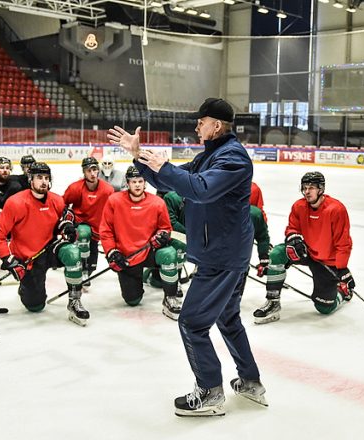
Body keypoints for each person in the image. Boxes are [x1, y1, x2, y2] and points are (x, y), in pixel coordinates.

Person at [108, 97, 266, 416]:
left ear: (216, 125)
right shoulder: (212, 155)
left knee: (192, 322)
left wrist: (160, 165)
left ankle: (209, 392)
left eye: (201, 121)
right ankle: (251, 381)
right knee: (228, 317)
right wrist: (139, 157)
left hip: (221, 257)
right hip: (224, 252)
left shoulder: (232, 157)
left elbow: (200, 189)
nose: (196, 126)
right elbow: (173, 182)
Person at [0, 162, 89, 325]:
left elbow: (66, 217)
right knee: (35, 306)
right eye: (39, 177)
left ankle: (74, 301)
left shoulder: (56, 199)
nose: (43, 181)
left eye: (46, 178)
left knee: (73, 253)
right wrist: (9, 259)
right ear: (30, 180)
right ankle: (25, 288)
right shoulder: (15, 203)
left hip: (50, 249)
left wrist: (67, 228)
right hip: (29, 258)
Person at [254, 171, 354, 324]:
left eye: (311, 187)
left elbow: (343, 243)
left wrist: (341, 268)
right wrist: (293, 237)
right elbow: (292, 228)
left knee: (324, 308)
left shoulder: (336, 209)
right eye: (304, 187)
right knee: (278, 253)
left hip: (326, 261)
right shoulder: (299, 206)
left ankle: (342, 292)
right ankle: (273, 302)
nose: (307, 191)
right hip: (305, 252)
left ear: (321, 189)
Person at [99, 166, 182, 320]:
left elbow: (165, 227)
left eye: (140, 181)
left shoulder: (157, 202)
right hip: (127, 256)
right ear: (128, 183)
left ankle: (170, 297)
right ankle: (145, 277)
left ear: (145, 183)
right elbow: (106, 230)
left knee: (169, 253)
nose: (137, 184)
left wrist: (162, 235)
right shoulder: (114, 201)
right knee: (133, 300)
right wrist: (112, 252)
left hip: (149, 250)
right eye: (133, 181)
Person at [62, 157, 114, 289]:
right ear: (84, 172)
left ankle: (87, 269)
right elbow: (62, 204)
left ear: (98, 171)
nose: (92, 173)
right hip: (81, 223)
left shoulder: (108, 190)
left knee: (93, 257)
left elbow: (113, 209)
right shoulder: (75, 188)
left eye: (94, 169)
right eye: (88, 170)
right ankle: (83, 269)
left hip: (98, 226)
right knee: (84, 234)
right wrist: (66, 220)